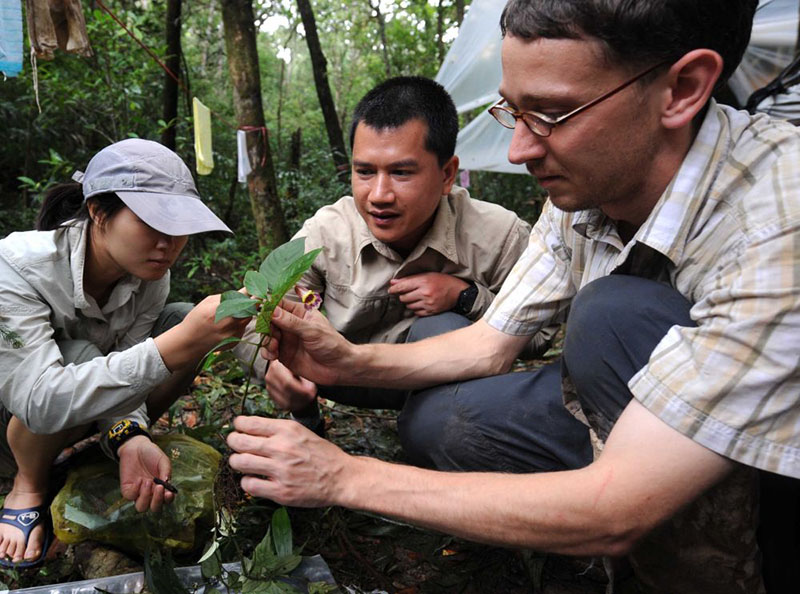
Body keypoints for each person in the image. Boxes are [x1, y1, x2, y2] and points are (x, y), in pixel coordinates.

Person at [227, 0, 800, 591]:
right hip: (640, 430)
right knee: (444, 424)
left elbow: (617, 510)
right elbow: (489, 345)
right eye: (513, 112)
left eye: (552, 114)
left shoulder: (778, 218)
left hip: (757, 467)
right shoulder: (583, 192)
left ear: (682, 88)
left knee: (612, 314)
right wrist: (347, 359)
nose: (518, 151)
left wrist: (343, 477)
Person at [252, 76, 581, 466]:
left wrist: (465, 296)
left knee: (439, 327)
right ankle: (308, 420)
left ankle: (440, 440)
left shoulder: (497, 235)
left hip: (442, 385)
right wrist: (273, 367)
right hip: (343, 376)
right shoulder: (328, 231)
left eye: (402, 173)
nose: (379, 195)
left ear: (446, 175)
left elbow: (540, 335)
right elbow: (259, 309)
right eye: (364, 172)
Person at [0, 139, 249, 567]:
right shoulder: (17, 266)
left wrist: (129, 433)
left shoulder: (151, 276)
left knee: (176, 320)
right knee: (85, 351)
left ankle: (108, 445)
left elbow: (129, 358)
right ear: (98, 211)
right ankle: (28, 481)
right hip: (14, 425)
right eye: (153, 222)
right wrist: (182, 344)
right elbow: (37, 401)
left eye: (180, 225)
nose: (169, 243)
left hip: (82, 413)